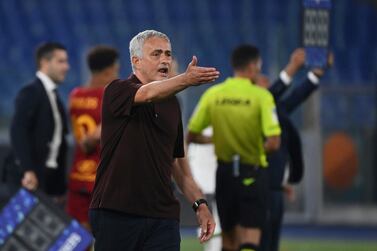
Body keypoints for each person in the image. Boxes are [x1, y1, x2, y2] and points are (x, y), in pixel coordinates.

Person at [89, 30, 219, 251]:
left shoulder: (173, 106)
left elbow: (179, 167)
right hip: (117, 214)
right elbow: (148, 94)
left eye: (168, 54)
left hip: (163, 218)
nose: (165, 60)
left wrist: (200, 204)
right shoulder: (117, 90)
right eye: (156, 54)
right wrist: (185, 79)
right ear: (136, 61)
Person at [187, 44, 282, 251]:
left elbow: (191, 135)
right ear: (253, 66)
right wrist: (254, 150)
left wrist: (216, 141)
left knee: (228, 238)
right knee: (250, 234)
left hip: (225, 173)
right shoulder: (261, 96)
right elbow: (274, 142)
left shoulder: (214, 95)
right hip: (253, 172)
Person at [258, 49, 333, 251]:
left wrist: (317, 73)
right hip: (257, 189)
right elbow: (271, 94)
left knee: (272, 244)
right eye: (262, 82)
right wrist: (291, 68)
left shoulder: (278, 109)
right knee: (259, 243)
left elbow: (299, 95)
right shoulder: (254, 109)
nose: (266, 83)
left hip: (275, 189)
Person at [66, 46, 119, 229]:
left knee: (81, 239)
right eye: (116, 70)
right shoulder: (110, 96)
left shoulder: (74, 95)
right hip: (105, 179)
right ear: (107, 71)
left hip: (78, 174)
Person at [10, 42, 70, 203]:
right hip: (30, 179)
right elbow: (18, 131)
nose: (67, 67)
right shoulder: (31, 92)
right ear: (44, 62)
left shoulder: (53, 96)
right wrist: (28, 170)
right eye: (61, 61)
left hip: (48, 179)